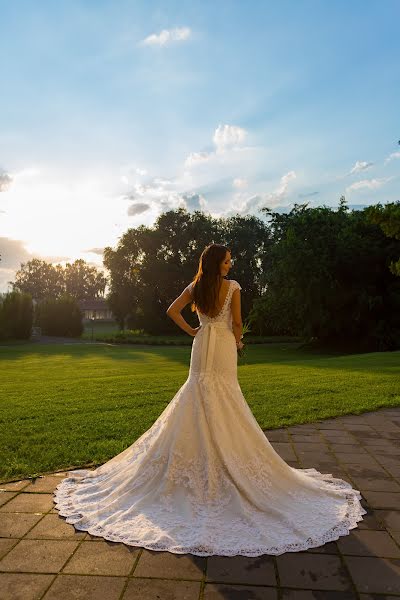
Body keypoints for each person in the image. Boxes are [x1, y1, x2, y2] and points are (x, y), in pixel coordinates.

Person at [53, 243, 366, 556]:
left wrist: (193, 330)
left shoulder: (196, 287)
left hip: (203, 343)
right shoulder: (232, 288)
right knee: (224, 395)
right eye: (228, 261)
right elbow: (238, 322)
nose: (230, 265)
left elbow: (171, 311)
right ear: (218, 263)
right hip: (224, 345)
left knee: (199, 392)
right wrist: (239, 341)